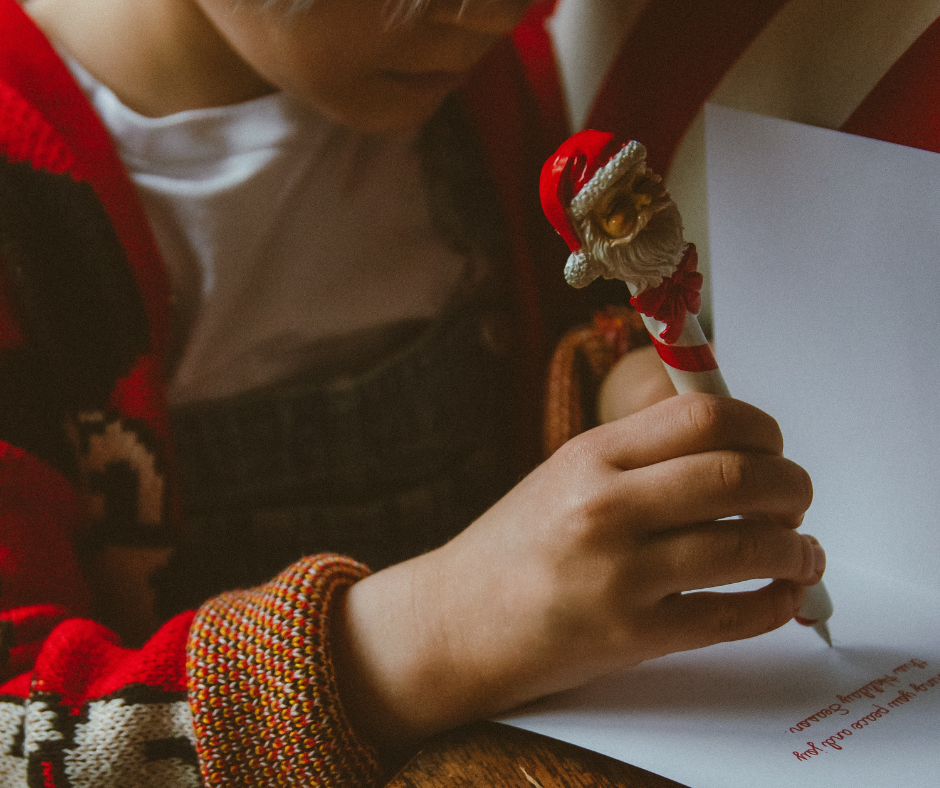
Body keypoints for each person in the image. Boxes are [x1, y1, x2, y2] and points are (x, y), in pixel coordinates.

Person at [14, 0, 940, 784]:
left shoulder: (474, 83)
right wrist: (440, 632)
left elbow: (533, 354)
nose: (488, 10)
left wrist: (608, 400)